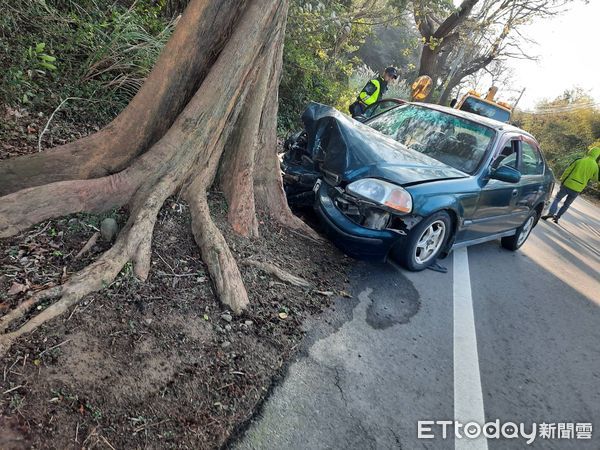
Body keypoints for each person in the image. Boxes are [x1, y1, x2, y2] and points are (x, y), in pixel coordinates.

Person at [542, 146, 600, 223]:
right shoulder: (595, 167)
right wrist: (588, 176)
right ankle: (557, 217)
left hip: (568, 184)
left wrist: (562, 179)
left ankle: (551, 213)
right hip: (578, 188)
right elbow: (595, 179)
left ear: (589, 152)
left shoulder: (579, 160)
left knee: (557, 199)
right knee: (567, 204)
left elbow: (568, 171)